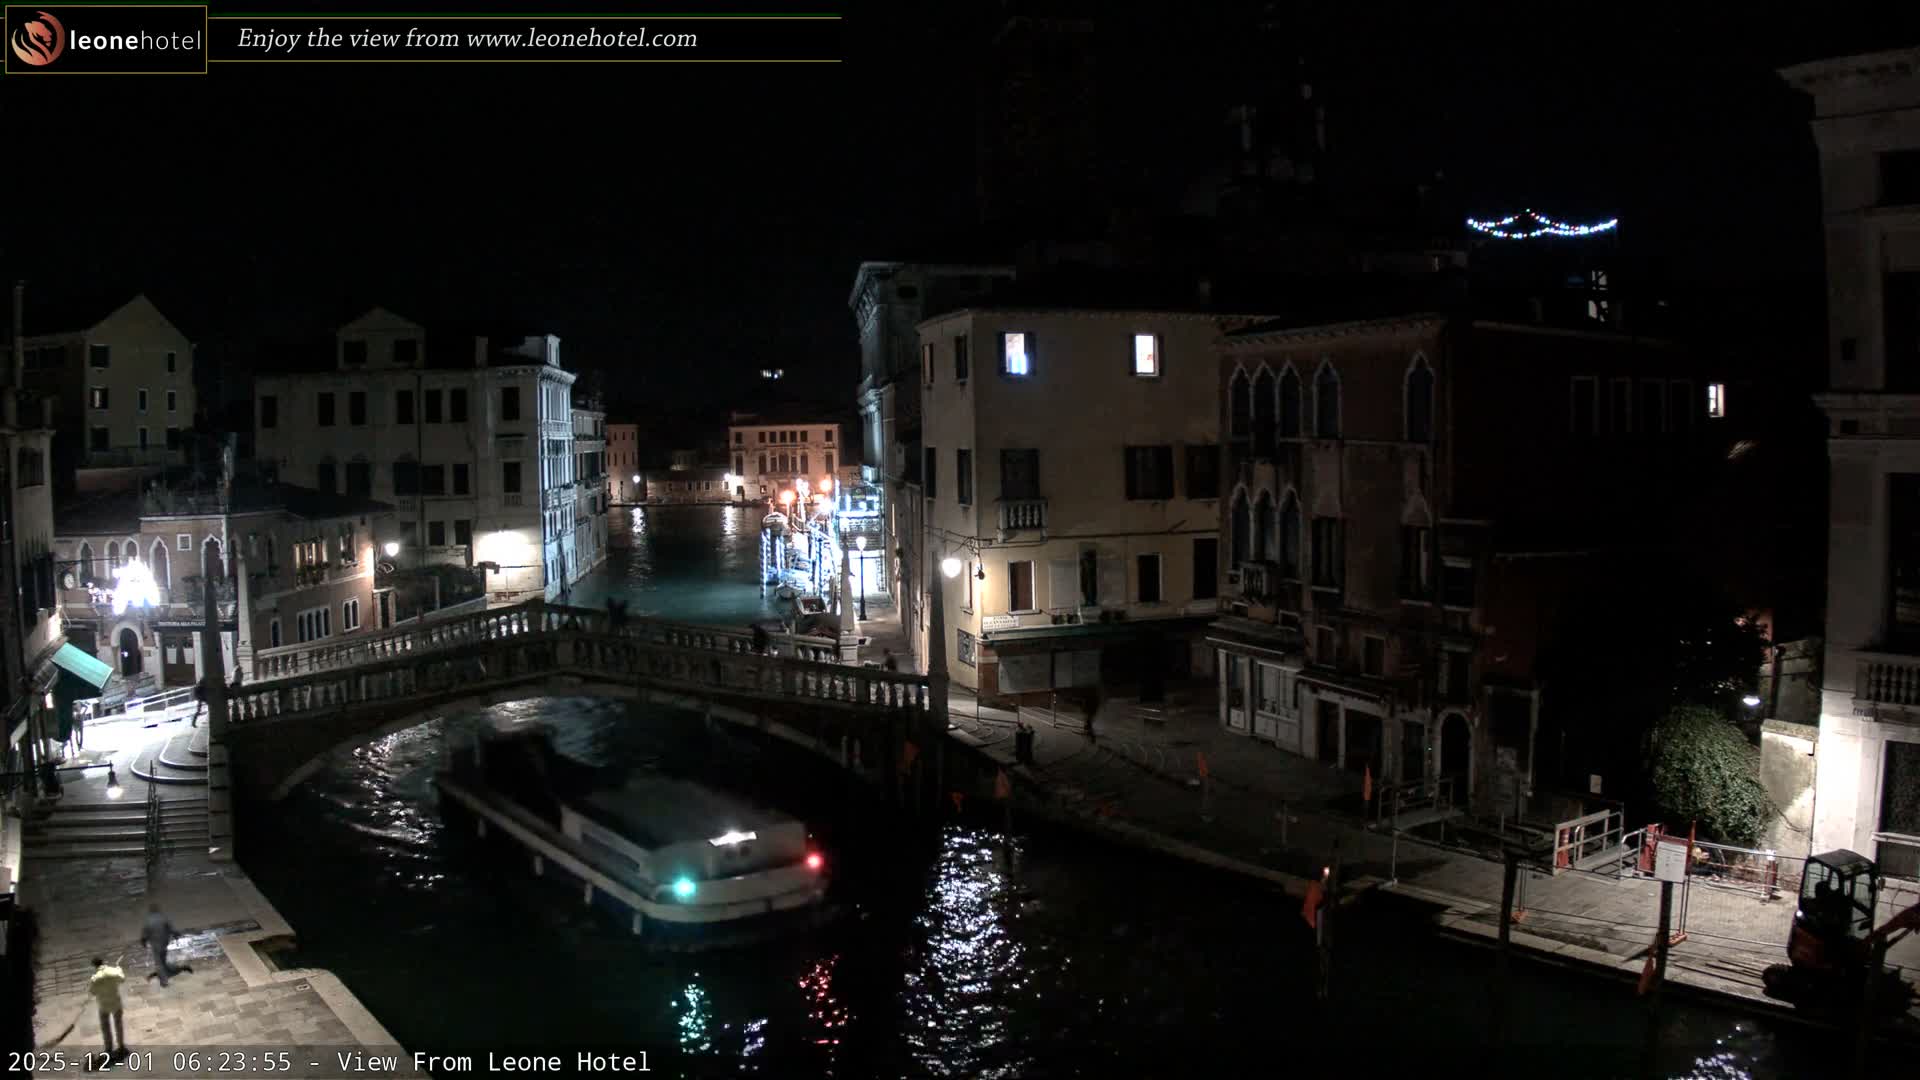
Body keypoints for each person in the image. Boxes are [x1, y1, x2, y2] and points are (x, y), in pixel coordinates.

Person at [142, 904, 191, 986]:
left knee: (159, 962)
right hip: (164, 942)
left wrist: (143, 941)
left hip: (155, 944)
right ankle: (171, 970)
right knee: (162, 960)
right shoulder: (163, 918)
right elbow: (170, 928)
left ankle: (164, 979)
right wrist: (176, 934)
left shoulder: (149, 921)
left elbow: (145, 933)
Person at [87, 957, 126, 1057]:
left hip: (103, 1005)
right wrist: (119, 969)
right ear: (103, 962)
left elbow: (92, 992)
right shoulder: (114, 971)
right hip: (116, 1003)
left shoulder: (95, 978)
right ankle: (121, 1045)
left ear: (94, 966)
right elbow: (122, 979)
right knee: (118, 1024)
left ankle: (109, 1047)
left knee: (105, 1027)